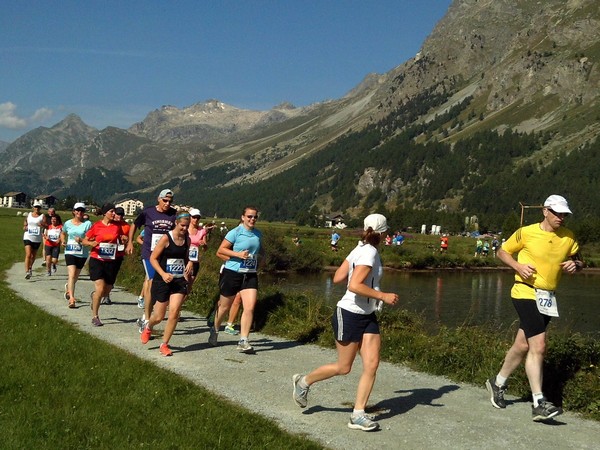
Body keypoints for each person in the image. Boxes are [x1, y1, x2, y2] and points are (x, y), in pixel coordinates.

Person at [292, 213, 399, 431]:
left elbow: (338, 278)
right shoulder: (368, 253)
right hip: (349, 314)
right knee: (343, 367)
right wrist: (382, 296)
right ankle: (303, 382)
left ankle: (358, 414)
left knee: (372, 364)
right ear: (383, 233)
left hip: (367, 315)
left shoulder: (359, 249)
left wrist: (361, 282)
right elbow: (353, 285)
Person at [485, 195, 583, 422]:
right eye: (557, 213)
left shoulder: (568, 237)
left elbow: (580, 260)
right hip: (524, 291)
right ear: (545, 211)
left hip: (547, 297)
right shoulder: (526, 232)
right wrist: (518, 266)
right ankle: (539, 402)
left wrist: (575, 265)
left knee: (522, 344)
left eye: (564, 214)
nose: (561, 217)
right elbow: (502, 251)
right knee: (538, 344)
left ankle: (497, 383)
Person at [208, 206, 264, 353]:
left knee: (249, 307)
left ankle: (243, 340)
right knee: (224, 307)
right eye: (249, 216)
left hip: (250, 274)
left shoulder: (258, 234)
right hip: (232, 272)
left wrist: (260, 262)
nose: (252, 219)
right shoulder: (235, 232)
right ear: (243, 217)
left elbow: (260, 251)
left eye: (255, 217)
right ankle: (215, 328)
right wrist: (238, 255)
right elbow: (221, 250)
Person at [140, 212, 192, 356]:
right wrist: (163, 274)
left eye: (187, 226)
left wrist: (189, 263)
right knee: (159, 316)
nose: (184, 229)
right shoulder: (166, 238)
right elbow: (153, 258)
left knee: (174, 312)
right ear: (176, 223)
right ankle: (148, 326)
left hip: (178, 280)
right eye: (182, 225)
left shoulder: (187, 239)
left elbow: (186, 257)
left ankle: (164, 344)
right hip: (162, 279)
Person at [126, 188, 177, 332]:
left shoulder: (173, 214)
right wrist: (130, 242)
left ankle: (146, 315)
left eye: (170, 201)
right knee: (151, 281)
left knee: (161, 284)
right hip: (149, 253)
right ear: (158, 199)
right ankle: (147, 319)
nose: (167, 204)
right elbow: (135, 224)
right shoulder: (148, 212)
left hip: (165, 255)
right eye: (165, 200)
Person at [83, 203, 128, 327]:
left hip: (111, 261)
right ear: (105, 213)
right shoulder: (96, 226)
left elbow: (121, 238)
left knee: (106, 290)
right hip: (97, 259)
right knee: (100, 287)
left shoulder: (117, 226)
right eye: (111, 211)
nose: (114, 214)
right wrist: (90, 243)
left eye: (114, 212)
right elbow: (85, 240)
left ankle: (95, 298)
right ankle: (95, 316)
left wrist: (124, 239)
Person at [62, 203, 92, 307]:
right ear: (74, 211)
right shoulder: (68, 223)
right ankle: (72, 299)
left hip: (82, 253)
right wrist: (63, 240)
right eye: (77, 210)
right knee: (72, 274)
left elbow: (91, 237)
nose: (79, 212)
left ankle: (68, 288)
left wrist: (82, 240)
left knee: (75, 276)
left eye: (82, 210)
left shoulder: (88, 224)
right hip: (70, 251)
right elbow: (63, 233)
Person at [100, 206, 130, 305]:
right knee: (103, 275)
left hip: (118, 254)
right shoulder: (110, 224)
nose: (119, 217)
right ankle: (102, 293)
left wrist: (126, 241)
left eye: (121, 215)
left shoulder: (126, 226)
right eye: (118, 214)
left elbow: (129, 239)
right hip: (106, 253)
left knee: (112, 275)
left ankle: (106, 294)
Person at [22, 201, 47, 279]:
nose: (37, 208)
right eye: (35, 207)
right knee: (28, 254)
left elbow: (46, 226)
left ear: (40, 208)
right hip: (28, 236)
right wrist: (25, 227)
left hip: (37, 238)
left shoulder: (42, 216)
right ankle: (27, 272)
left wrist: (42, 225)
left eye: (38, 207)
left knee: (33, 255)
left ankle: (30, 267)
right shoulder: (29, 215)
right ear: (33, 207)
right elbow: (25, 222)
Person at [187, 208, 206, 293]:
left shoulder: (202, 231)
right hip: (184, 260)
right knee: (183, 283)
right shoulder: (185, 228)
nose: (196, 219)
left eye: (198, 218)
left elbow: (205, 248)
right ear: (190, 217)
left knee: (189, 286)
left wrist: (204, 245)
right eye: (194, 217)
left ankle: (183, 300)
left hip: (195, 260)